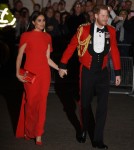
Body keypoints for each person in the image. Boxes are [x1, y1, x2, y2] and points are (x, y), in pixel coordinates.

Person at [59, 5, 121, 149]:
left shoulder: (111, 31)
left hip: (103, 72)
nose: (106, 18)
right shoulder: (84, 30)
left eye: (107, 15)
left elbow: (115, 51)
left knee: (103, 106)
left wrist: (117, 72)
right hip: (87, 71)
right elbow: (72, 46)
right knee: (85, 104)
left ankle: (98, 139)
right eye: (103, 15)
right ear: (96, 16)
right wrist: (62, 64)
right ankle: (83, 129)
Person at [16, 11, 59, 145]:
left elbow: (47, 59)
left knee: (42, 104)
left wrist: (59, 68)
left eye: (43, 20)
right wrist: (18, 73)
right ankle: (29, 129)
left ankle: (38, 133)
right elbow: (19, 56)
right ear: (33, 22)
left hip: (44, 74)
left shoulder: (47, 37)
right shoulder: (26, 35)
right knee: (31, 103)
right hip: (29, 73)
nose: (42, 23)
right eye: (39, 20)